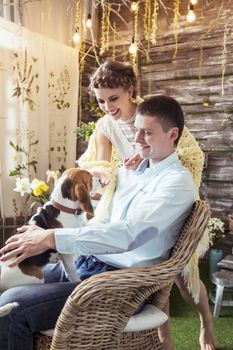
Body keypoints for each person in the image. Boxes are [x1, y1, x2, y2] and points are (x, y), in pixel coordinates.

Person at [0, 95, 195, 350]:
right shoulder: (137, 171)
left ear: (172, 134)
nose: (136, 140)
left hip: (118, 284)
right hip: (86, 265)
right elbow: (103, 219)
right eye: (136, 130)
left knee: (11, 308)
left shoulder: (176, 183)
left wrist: (50, 238)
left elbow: (129, 234)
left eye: (147, 133)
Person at [78, 60, 215, 350]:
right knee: (150, 271)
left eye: (113, 99)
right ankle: (162, 339)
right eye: (101, 101)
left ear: (130, 90)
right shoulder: (106, 125)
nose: (107, 107)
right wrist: (108, 174)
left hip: (168, 198)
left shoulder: (155, 114)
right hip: (134, 199)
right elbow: (104, 164)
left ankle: (205, 321)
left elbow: (189, 157)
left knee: (180, 277)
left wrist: (150, 160)